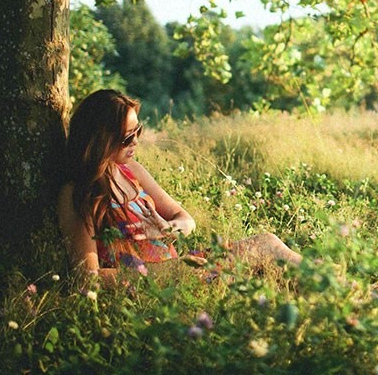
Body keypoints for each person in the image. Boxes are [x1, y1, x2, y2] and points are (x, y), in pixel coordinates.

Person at [57, 89, 300, 281]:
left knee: (267, 245)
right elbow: (87, 278)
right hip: (160, 280)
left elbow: (185, 219)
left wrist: (168, 229)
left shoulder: (131, 171)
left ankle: (330, 289)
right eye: (127, 138)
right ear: (101, 140)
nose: (136, 142)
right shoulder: (78, 192)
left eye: (138, 131)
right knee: (266, 256)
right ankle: (330, 290)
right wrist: (165, 273)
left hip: (181, 267)